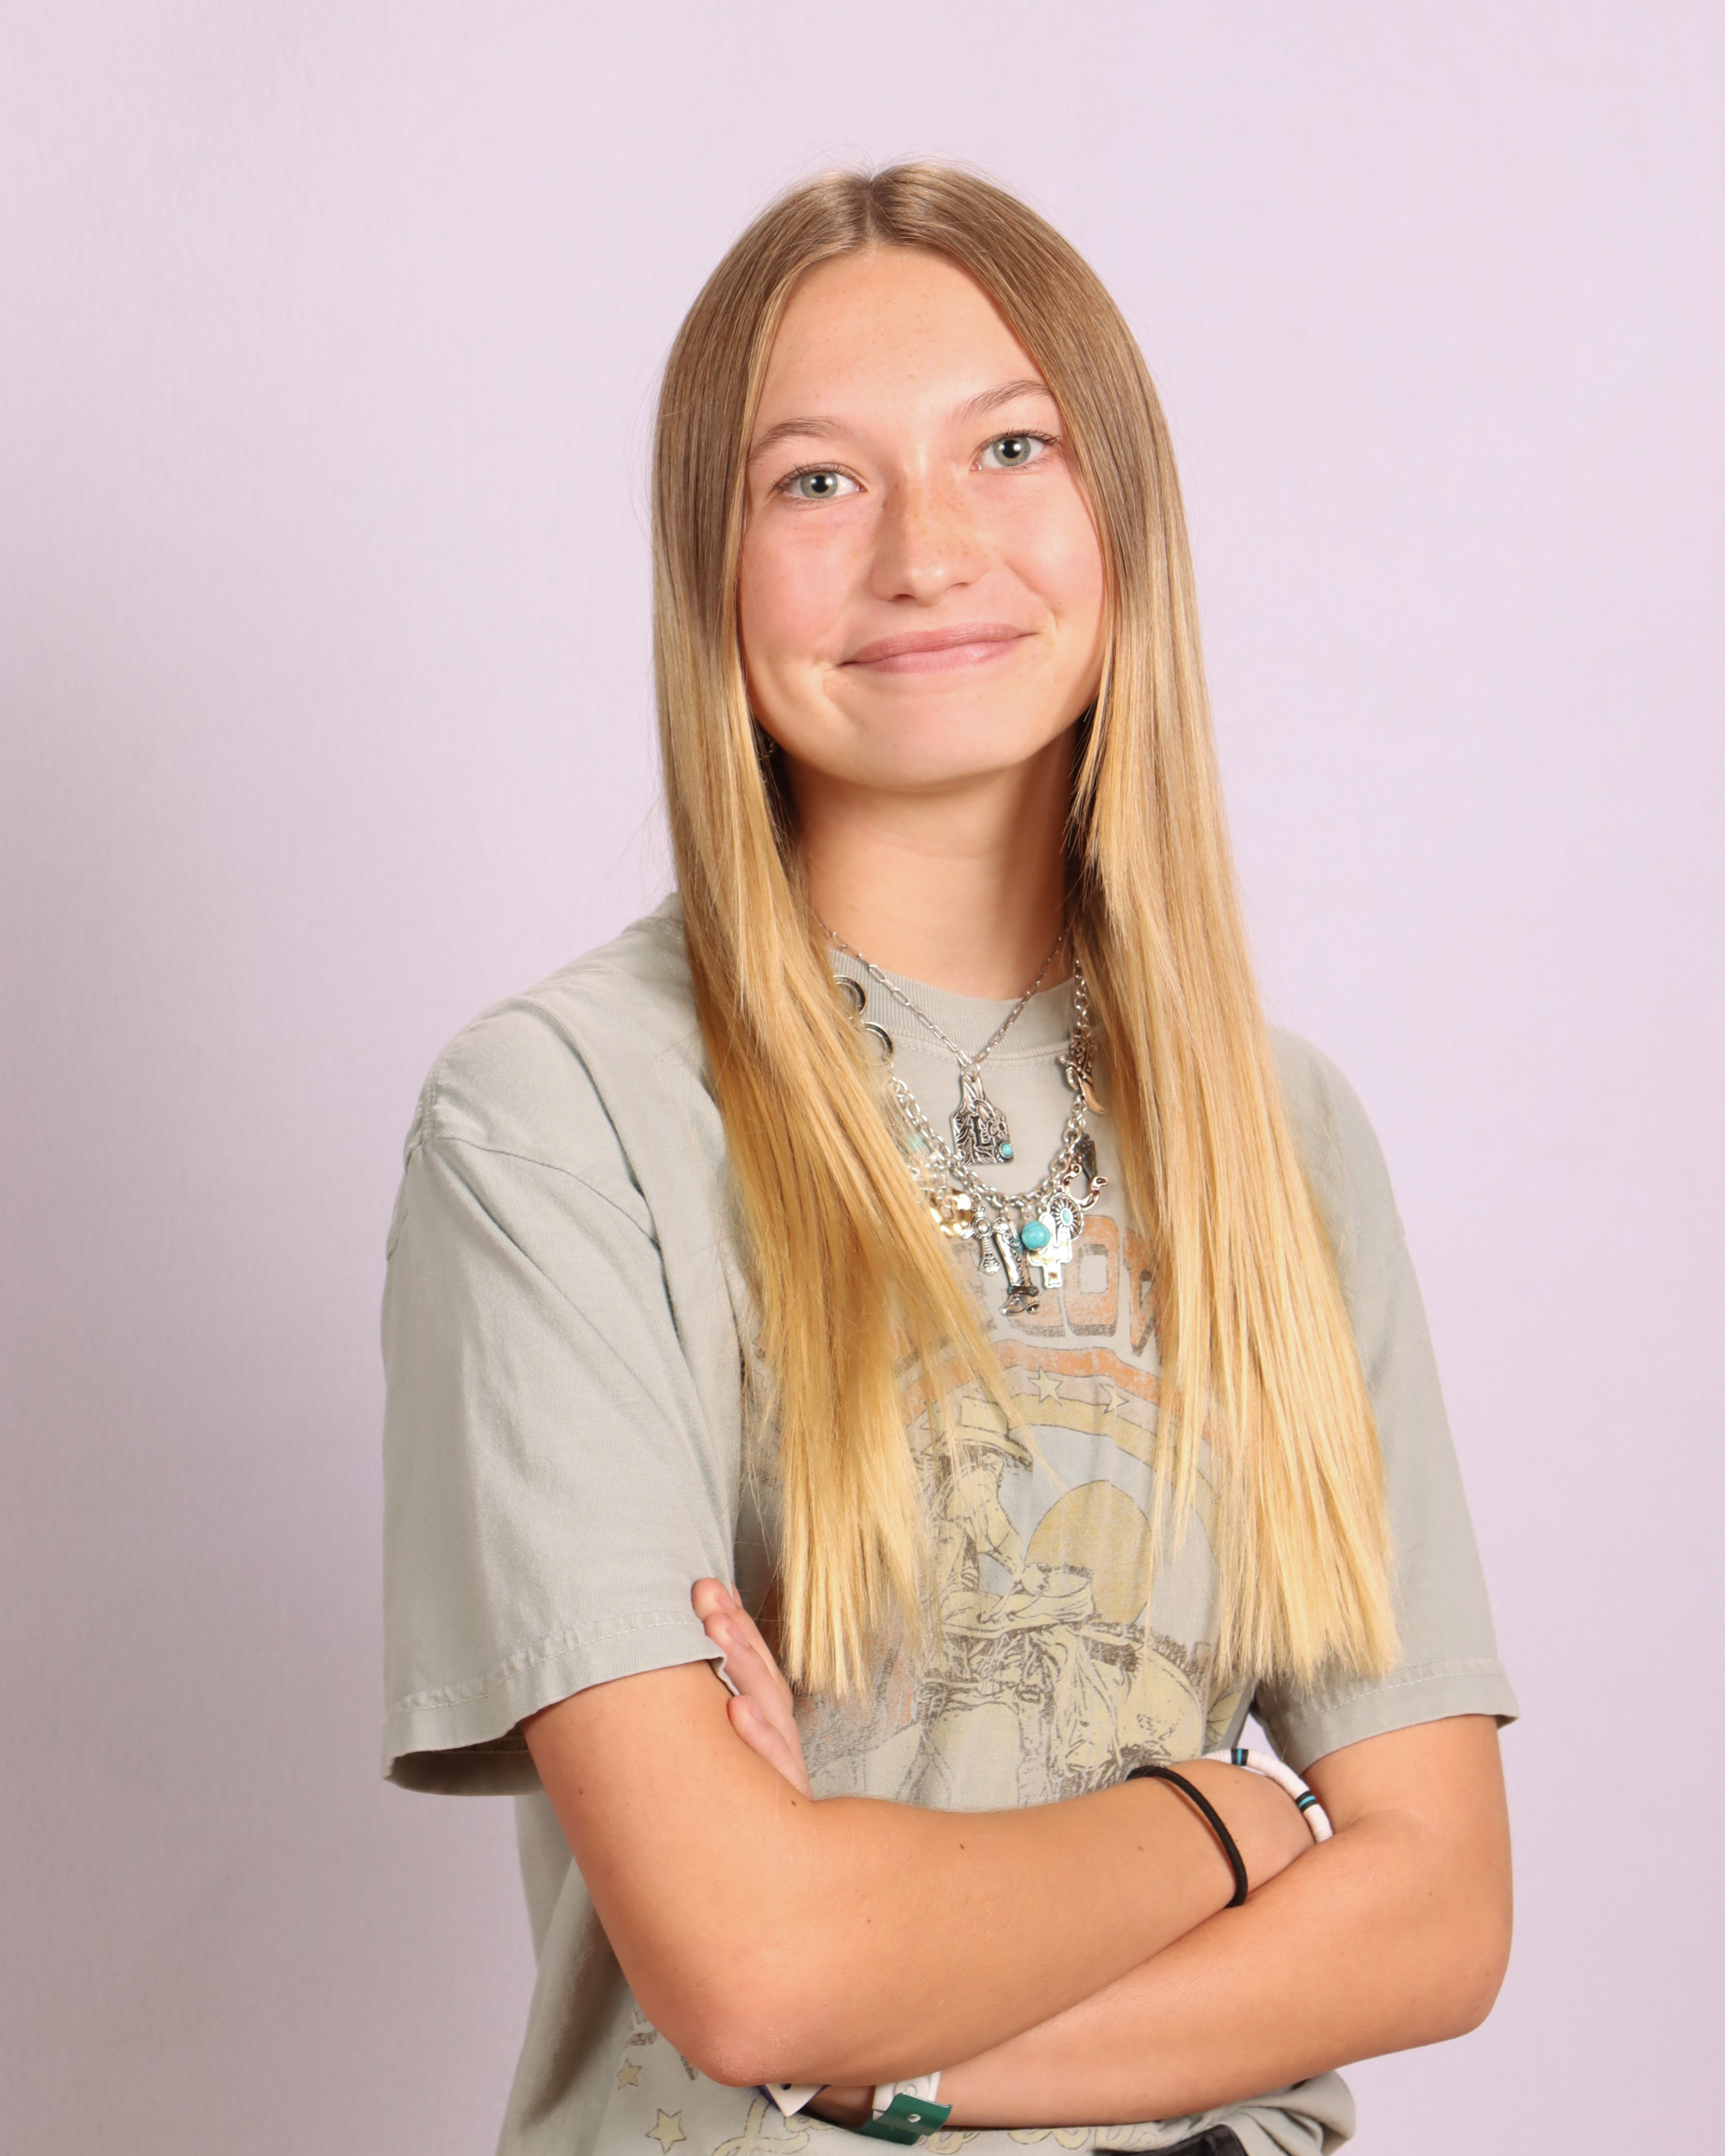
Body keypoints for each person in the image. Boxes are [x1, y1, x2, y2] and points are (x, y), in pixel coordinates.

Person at [381, 165, 1517, 2156]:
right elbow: (752, 1963)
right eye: (817, 482)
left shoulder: (1284, 1136)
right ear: (710, 570)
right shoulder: (557, 1125)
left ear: (1123, 517)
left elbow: (1441, 1911)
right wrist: (1218, 1823)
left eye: (1012, 447)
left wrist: (912, 2065)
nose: (928, 553)